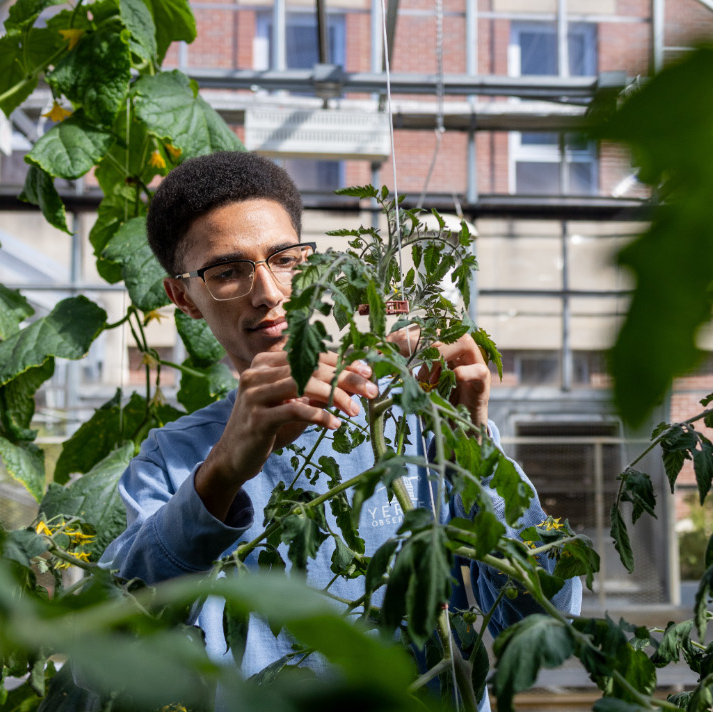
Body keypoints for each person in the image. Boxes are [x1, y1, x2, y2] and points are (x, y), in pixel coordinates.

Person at [98, 151, 580, 698]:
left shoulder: (417, 420)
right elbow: (114, 634)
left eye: (284, 259)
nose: (270, 294)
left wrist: (470, 445)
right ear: (184, 296)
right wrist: (221, 472)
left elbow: (543, 615)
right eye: (227, 272)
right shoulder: (173, 460)